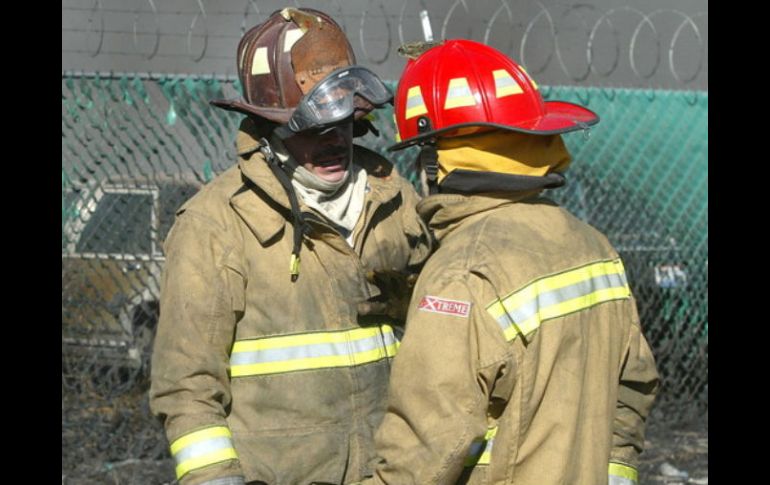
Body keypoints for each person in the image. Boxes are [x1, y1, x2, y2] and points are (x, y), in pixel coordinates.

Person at [357, 39, 660, 485]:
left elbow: (426, 447)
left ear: (433, 159)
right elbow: (633, 384)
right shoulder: (592, 245)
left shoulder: (461, 271)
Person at [149, 8, 432, 485]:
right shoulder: (216, 224)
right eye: (311, 127)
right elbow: (187, 385)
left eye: (342, 121)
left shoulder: (393, 195)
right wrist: (217, 479)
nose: (332, 140)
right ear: (269, 128)